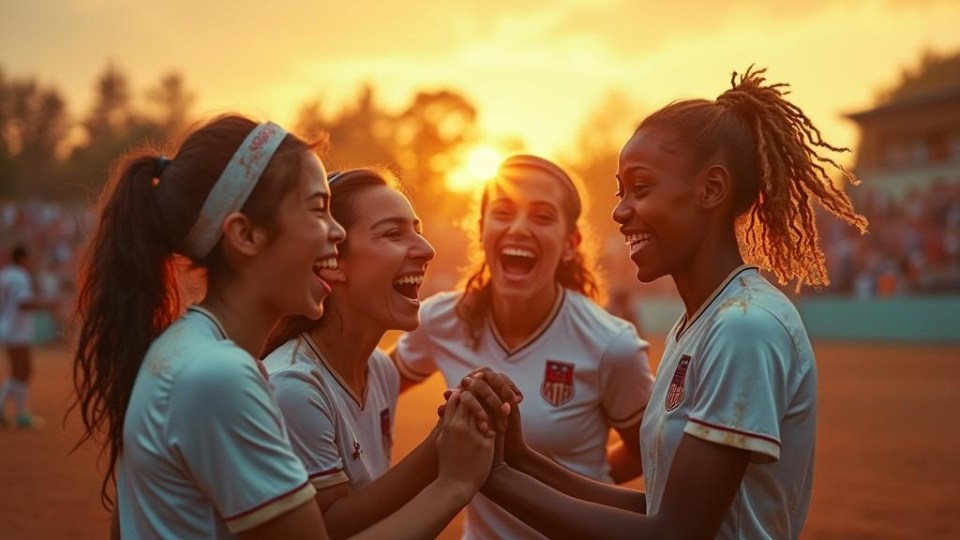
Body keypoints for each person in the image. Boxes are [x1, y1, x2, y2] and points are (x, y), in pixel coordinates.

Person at [466, 67, 870, 539]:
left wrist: (489, 479)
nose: (619, 211)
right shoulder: (699, 324)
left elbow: (674, 533)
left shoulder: (746, 327)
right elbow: (656, 511)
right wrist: (518, 460)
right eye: (621, 193)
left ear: (711, 189)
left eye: (641, 188)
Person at [71, 116, 494, 539]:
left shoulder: (192, 351)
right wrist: (453, 484)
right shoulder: (219, 376)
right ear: (246, 235)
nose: (336, 233)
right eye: (317, 209)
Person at [391, 154, 655, 539]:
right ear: (481, 231)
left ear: (570, 244)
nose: (518, 228)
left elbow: (649, 452)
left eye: (542, 216)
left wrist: (574, 483)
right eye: (503, 212)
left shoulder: (611, 345)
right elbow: (372, 383)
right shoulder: (440, 320)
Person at [263, 168, 501, 539]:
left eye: (418, 231)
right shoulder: (293, 387)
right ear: (332, 261)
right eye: (393, 233)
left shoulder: (381, 371)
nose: (427, 250)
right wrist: (443, 455)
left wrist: (462, 417)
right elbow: (331, 529)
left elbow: (364, 514)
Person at [0, 245, 57, 428]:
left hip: (8, 327)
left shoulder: (6, 275)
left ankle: (18, 413)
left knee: (21, 372)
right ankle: (20, 414)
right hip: (16, 330)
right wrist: (47, 305)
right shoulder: (20, 276)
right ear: (23, 258)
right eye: (29, 257)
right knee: (23, 371)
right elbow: (23, 304)